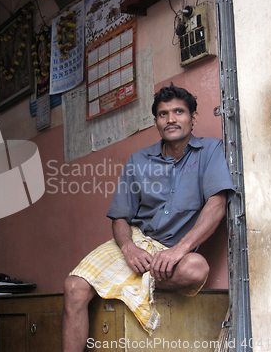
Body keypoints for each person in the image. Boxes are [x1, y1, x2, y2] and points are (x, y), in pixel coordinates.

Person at [62, 84, 235, 352]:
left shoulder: (211, 151)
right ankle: (132, 281)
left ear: (194, 118)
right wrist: (129, 248)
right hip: (138, 243)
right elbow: (120, 217)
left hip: (175, 250)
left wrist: (179, 250)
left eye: (179, 112)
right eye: (163, 114)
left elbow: (216, 206)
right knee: (74, 287)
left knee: (196, 269)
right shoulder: (138, 160)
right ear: (156, 122)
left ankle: (131, 285)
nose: (171, 119)